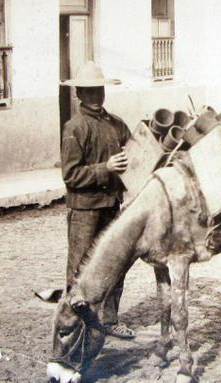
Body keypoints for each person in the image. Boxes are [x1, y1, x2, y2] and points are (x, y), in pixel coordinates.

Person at [58, 61, 134, 340]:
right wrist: (106, 168)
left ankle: (110, 320)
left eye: (99, 89)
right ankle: (73, 324)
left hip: (112, 207)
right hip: (84, 210)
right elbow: (71, 175)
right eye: (89, 91)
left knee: (116, 264)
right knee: (79, 270)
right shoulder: (74, 128)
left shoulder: (115, 124)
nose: (96, 95)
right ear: (79, 93)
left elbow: (135, 149)